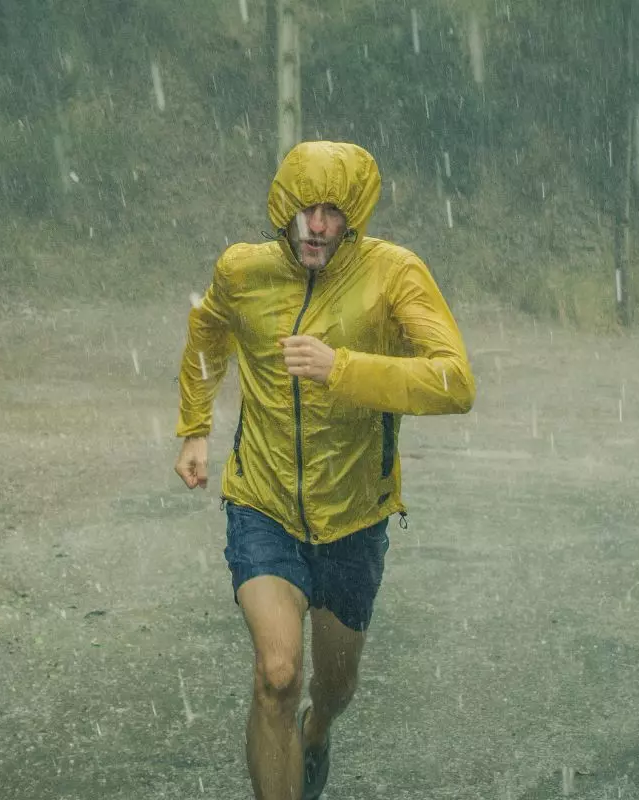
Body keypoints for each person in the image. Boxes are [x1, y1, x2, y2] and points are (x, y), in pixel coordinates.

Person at [173, 140, 475, 800]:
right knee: (276, 673)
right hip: (264, 505)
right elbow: (208, 335)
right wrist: (196, 427)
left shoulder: (394, 274)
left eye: (334, 212)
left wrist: (344, 369)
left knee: (332, 686)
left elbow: (455, 381)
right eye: (307, 208)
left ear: (355, 218)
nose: (318, 224)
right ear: (283, 208)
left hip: (354, 519)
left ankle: (318, 731)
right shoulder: (242, 271)